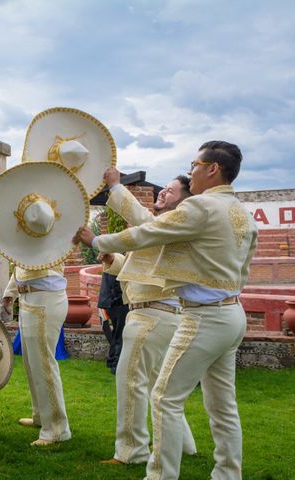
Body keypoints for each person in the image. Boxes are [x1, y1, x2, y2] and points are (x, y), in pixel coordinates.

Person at [75, 141, 257, 480]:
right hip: (233, 313)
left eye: (194, 165)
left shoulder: (201, 207)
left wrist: (98, 242)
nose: (191, 172)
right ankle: (228, 475)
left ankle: (159, 475)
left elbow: (148, 231)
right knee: (222, 406)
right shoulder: (242, 212)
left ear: (212, 169)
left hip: (202, 316)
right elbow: (245, 265)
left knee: (163, 398)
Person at [0, 179, 71, 445]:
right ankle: (42, 415)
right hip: (32, 300)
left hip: (46, 301)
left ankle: (57, 428)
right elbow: (22, 265)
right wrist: (11, 292)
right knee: (32, 363)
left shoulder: (50, 230)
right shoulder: (32, 236)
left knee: (43, 364)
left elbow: (9, 220)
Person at [97, 167, 196, 466]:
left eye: (171, 190)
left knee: (131, 384)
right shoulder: (168, 230)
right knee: (158, 387)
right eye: (163, 188)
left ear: (184, 202)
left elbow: (141, 221)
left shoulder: (167, 224)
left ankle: (131, 451)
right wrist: (113, 260)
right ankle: (184, 444)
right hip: (160, 315)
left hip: (150, 317)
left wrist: (115, 187)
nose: (162, 192)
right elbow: (146, 268)